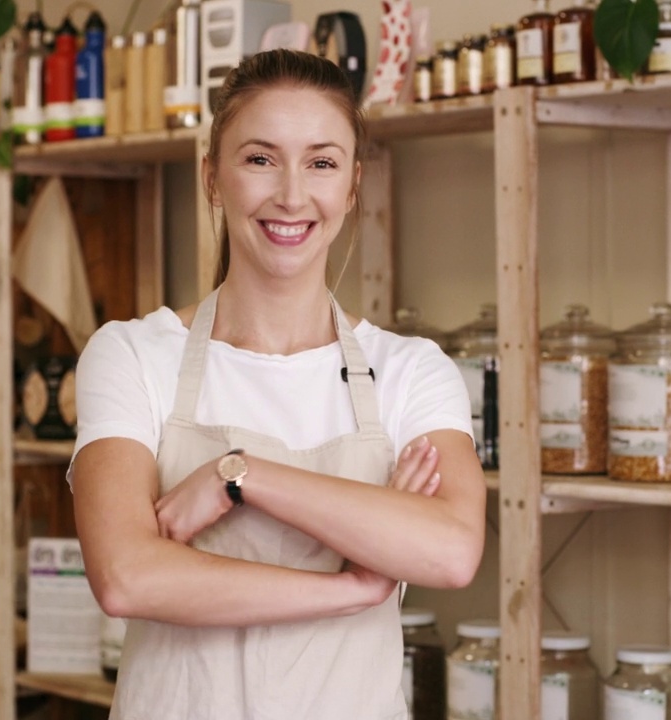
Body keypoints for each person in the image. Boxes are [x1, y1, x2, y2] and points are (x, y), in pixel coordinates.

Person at [70, 49, 486, 720]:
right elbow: (125, 577)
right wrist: (351, 589)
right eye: (260, 159)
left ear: (351, 186)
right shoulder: (134, 354)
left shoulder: (411, 371)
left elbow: (452, 549)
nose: (292, 195)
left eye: (321, 163)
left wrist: (243, 476)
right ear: (212, 177)